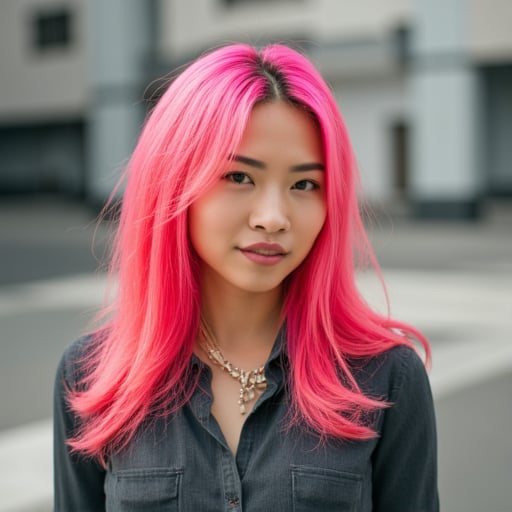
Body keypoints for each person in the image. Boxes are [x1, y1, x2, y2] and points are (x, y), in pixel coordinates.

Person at [54, 43, 439, 511]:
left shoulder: (386, 378)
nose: (273, 217)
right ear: (173, 182)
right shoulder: (93, 377)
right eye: (239, 177)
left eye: (304, 184)